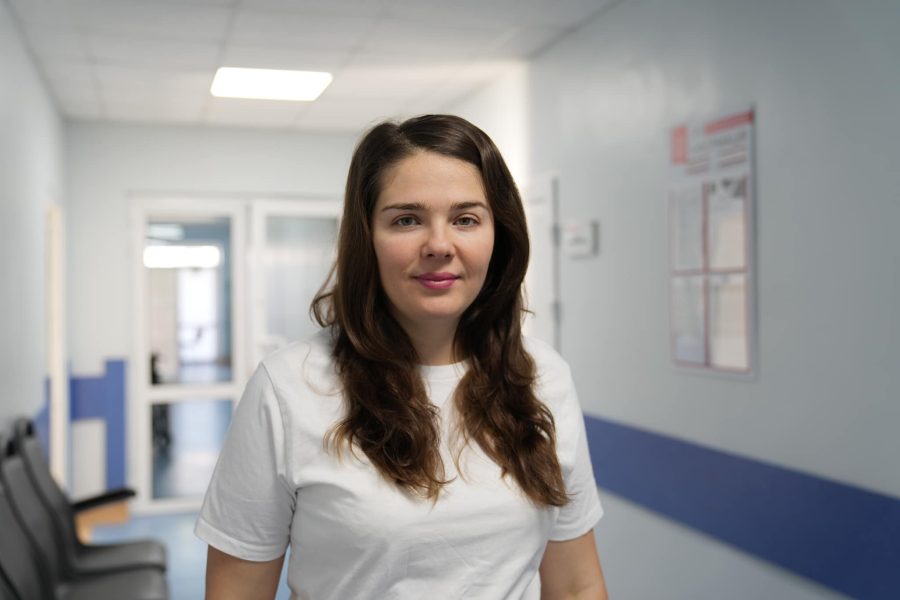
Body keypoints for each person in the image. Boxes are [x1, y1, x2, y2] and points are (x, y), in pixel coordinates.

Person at [195, 114, 608, 599]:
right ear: (366, 238)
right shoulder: (288, 388)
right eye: (406, 220)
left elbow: (577, 586)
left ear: (500, 236)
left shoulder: (543, 377)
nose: (439, 245)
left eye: (466, 219)